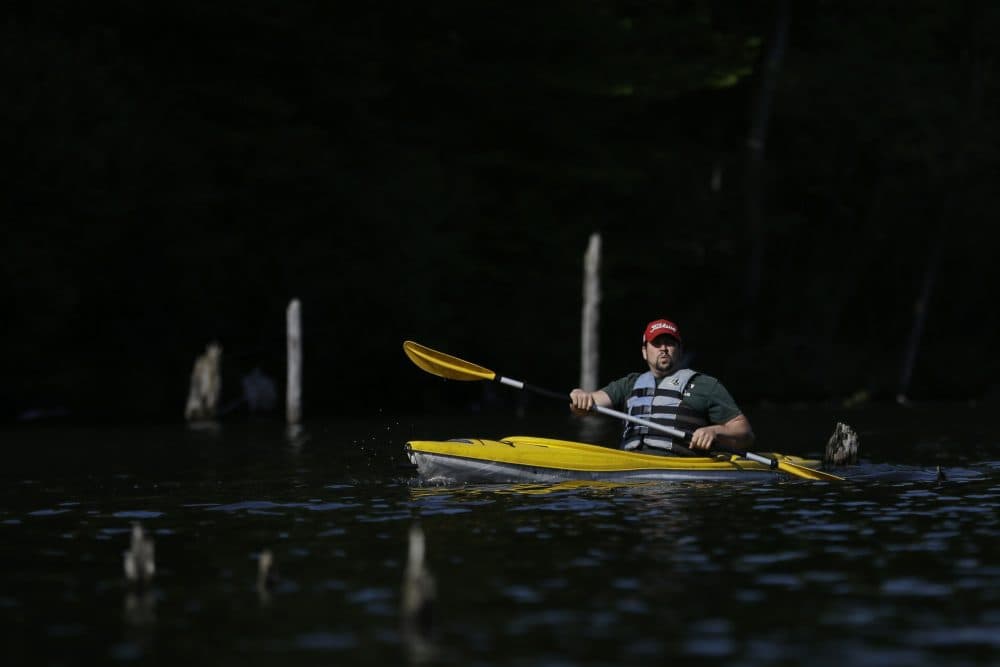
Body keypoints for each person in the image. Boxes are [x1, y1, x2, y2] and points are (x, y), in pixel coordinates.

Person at [570, 318, 754, 454]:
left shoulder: (705, 385)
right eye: (656, 343)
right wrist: (579, 396)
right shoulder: (629, 384)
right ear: (645, 352)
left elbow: (745, 433)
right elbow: (588, 404)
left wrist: (715, 431)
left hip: (680, 474)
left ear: (680, 350)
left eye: (670, 343)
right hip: (631, 466)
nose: (663, 348)